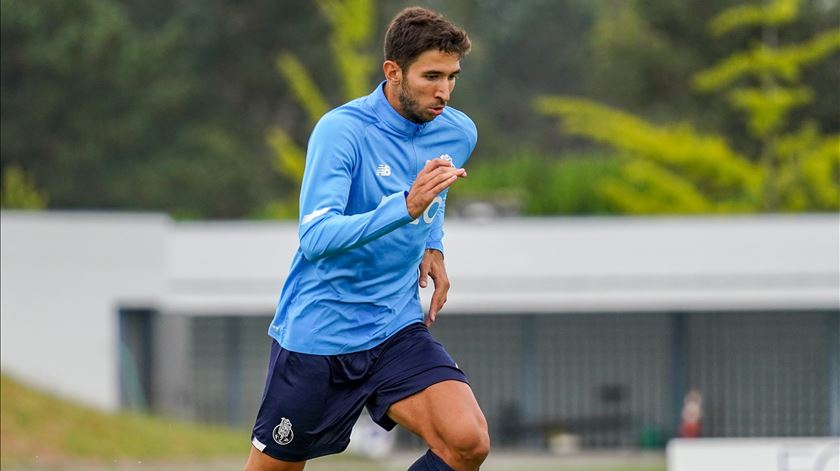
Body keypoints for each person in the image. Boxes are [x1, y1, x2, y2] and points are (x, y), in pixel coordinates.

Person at [245, 7, 489, 471]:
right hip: (320, 336)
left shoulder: (458, 131)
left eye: (452, 77)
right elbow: (316, 236)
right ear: (393, 72)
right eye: (431, 76)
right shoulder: (342, 132)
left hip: (394, 325)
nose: (444, 91)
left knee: (466, 442)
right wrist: (405, 206)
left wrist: (433, 243)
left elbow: (434, 191)